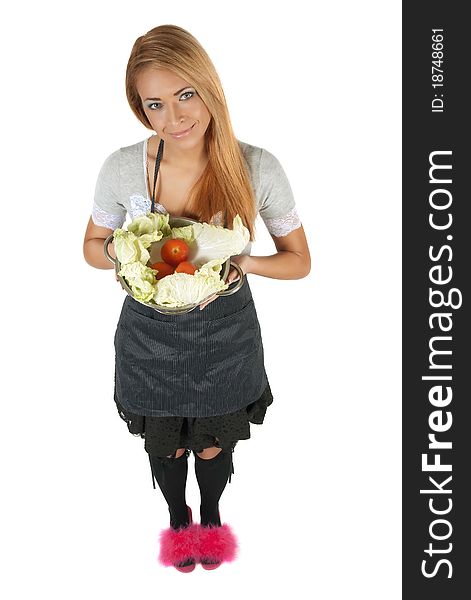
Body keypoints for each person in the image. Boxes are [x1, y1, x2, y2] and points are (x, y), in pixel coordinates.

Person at [83, 24, 311, 573]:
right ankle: (178, 522)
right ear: (141, 108)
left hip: (226, 333)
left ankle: (210, 512)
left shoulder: (257, 167)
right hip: (147, 336)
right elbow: (91, 247)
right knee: (166, 445)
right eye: (155, 104)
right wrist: (129, 254)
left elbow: (299, 262)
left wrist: (242, 262)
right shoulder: (122, 167)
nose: (174, 117)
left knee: (210, 442)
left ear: (210, 86)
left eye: (186, 94)